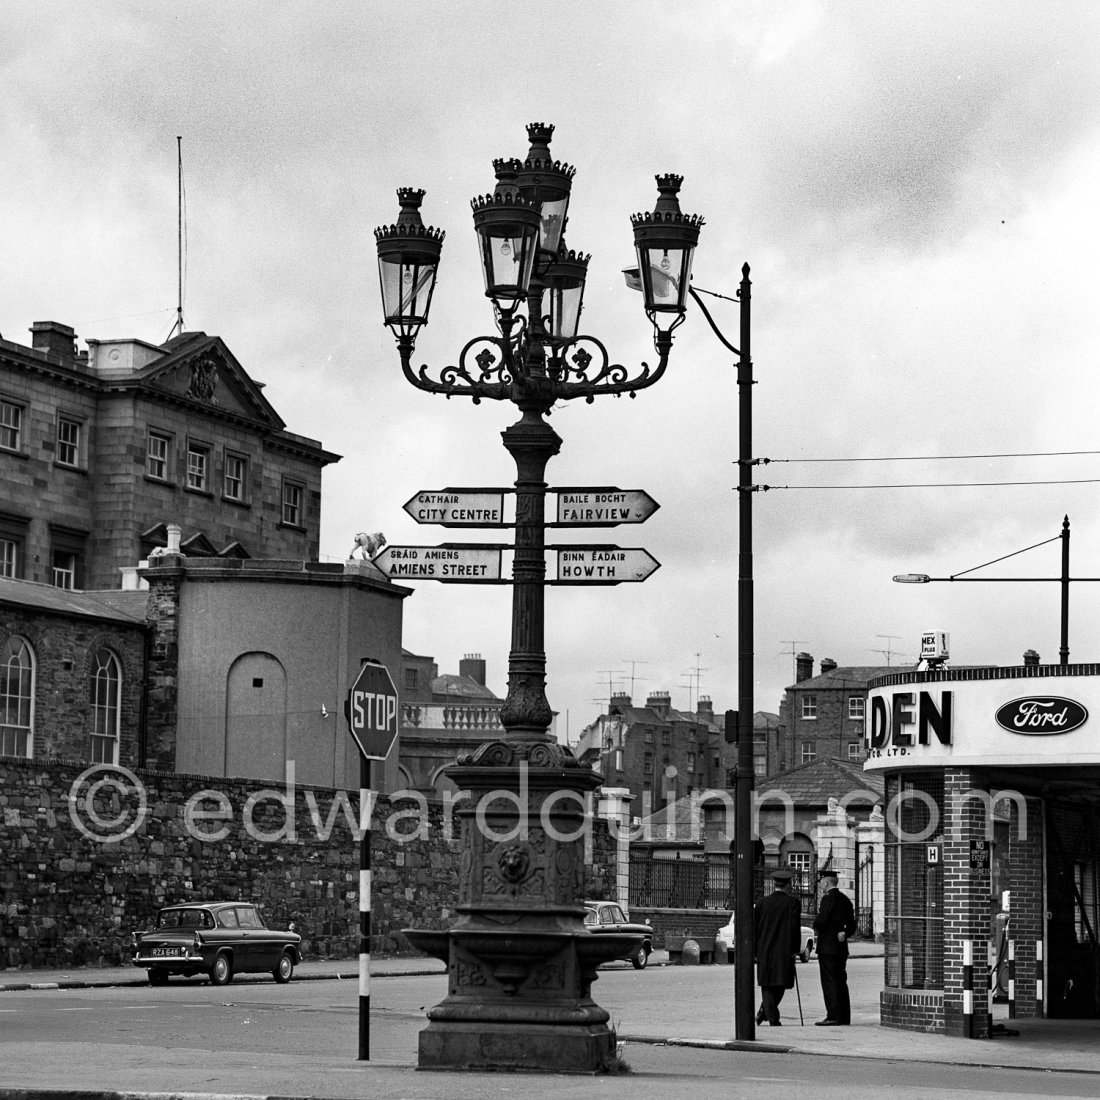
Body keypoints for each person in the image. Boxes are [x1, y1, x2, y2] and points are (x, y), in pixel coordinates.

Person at [753, 867, 803, 1026]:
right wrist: (795, 949)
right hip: (784, 950)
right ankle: (773, 1018)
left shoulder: (762, 903)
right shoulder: (793, 903)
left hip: (765, 948)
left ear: (773, 884)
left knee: (767, 984)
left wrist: (755, 950)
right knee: (781, 983)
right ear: (788, 884)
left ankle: (765, 1011)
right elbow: (795, 928)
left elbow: (754, 929)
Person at [813, 869, 857, 1026]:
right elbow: (852, 925)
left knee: (829, 982)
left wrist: (816, 924)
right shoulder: (845, 899)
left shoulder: (828, 899)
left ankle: (833, 1015)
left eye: (821, 884)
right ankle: (844, 1016)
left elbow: (821, 921)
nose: (821, 887)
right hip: (840, 947)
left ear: (826, 883)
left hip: (827, 947)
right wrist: (845, 933)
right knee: (841, 980)